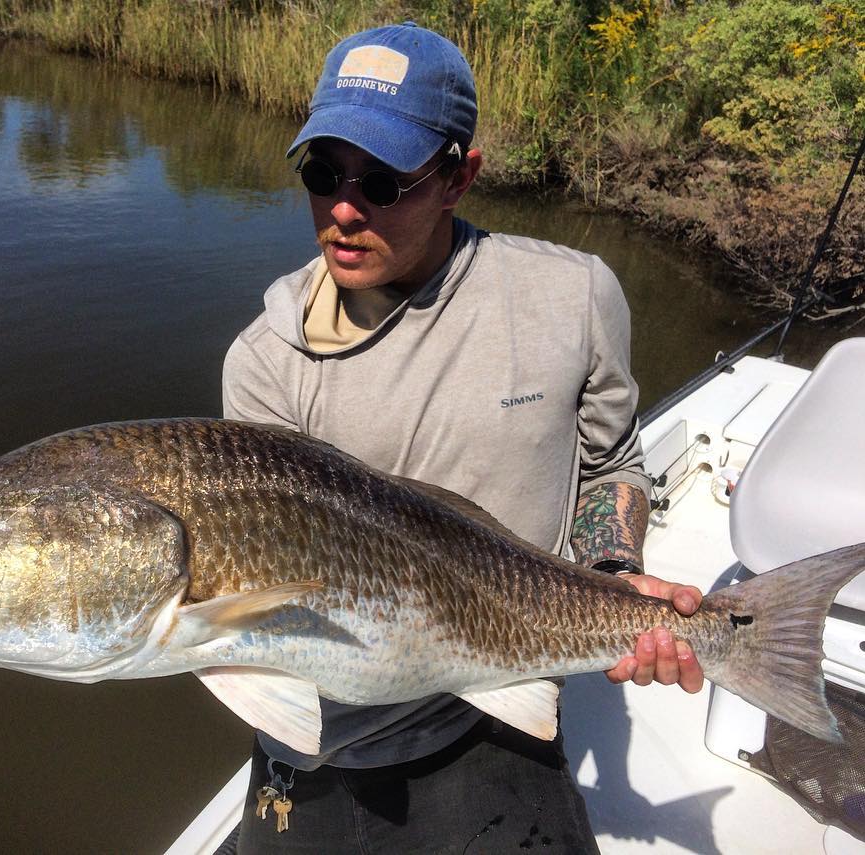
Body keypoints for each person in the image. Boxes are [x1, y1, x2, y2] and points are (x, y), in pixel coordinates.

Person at [222, 21, 703, 853]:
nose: (343, 206)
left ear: (458, 176)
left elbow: (611, 461)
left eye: (382, 180)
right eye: (323, 172)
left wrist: (617, 575)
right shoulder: (266, 363)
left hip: (497, 714)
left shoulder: (575, 297)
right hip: (320, 743)